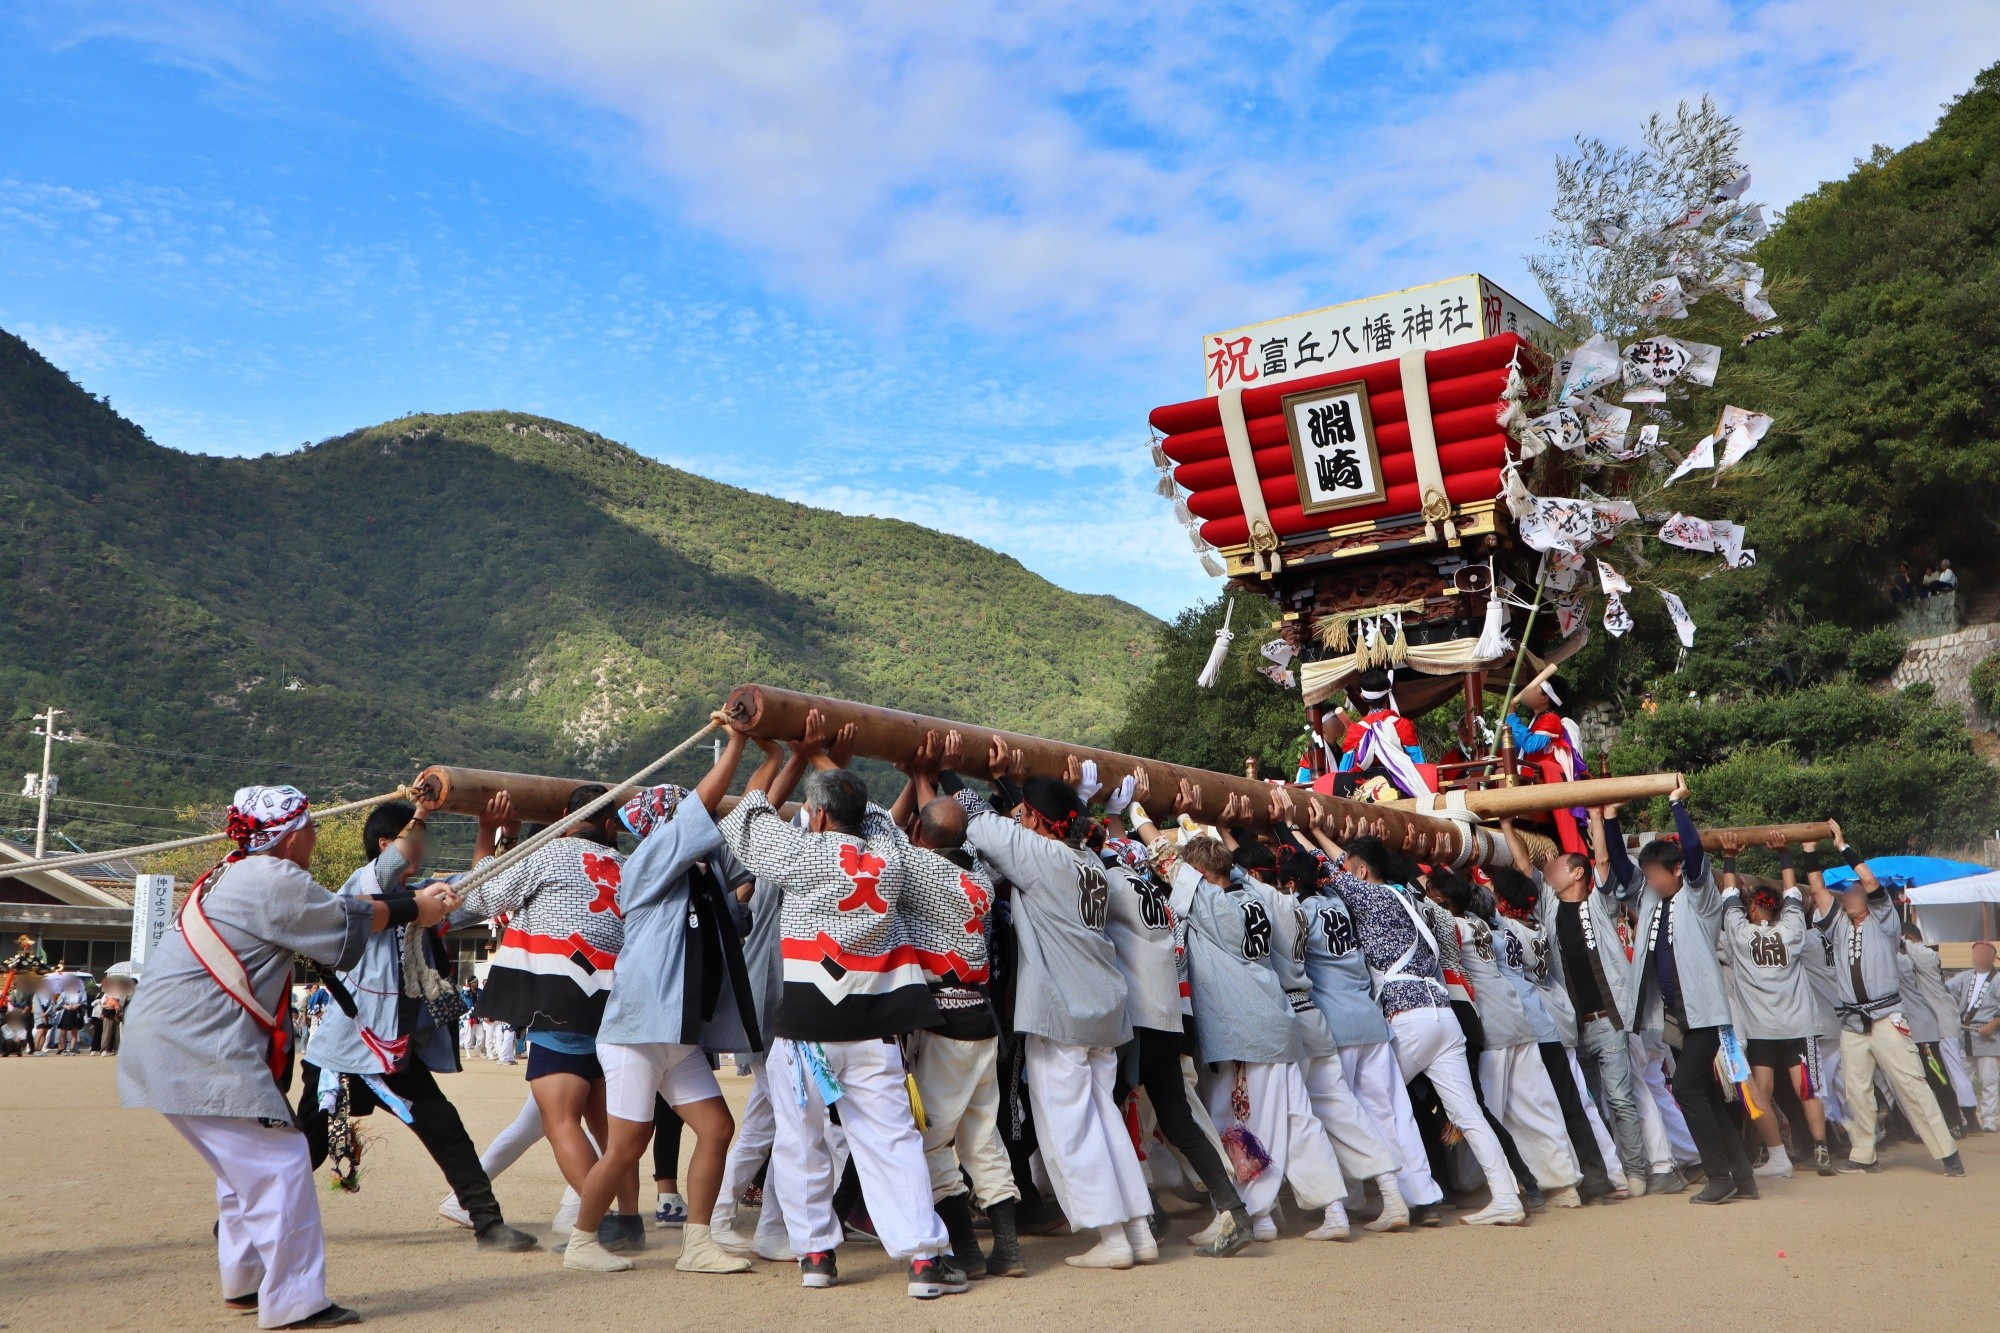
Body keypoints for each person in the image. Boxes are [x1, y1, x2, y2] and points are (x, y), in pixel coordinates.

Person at [118, 784, 456, 1329]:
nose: (317, 837)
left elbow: (358, 897)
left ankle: (245, 1280)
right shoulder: (273, 879)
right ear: (293, 834)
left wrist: (416, 836)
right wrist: (415, 906)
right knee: (280, 1163)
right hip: (200, 1047)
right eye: (312, 828)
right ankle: (295, 1302)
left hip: (173, 1044)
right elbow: (346, 918)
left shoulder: (232, 870)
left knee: (243, 1171)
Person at [718, 710, 963, 1300]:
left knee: (799, 1144)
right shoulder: (890, 859)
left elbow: (747, 815)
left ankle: (817, 1257)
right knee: (892, 1145)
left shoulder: (803, 857)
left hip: (806, 1034)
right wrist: (826, 758)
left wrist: (777, 753)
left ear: (818, 816)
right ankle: (924, 1264)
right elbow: (874, 818)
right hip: (874, 1033)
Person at [297, 795, 536, 1253]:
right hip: (343, 1054)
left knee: (445, 1128)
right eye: (417, 837)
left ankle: (487, 1223)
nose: (423, 847)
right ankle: (239, 1222)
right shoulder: (359, 889)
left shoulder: (427, 895)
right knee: (305, 1149)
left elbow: (478, 888)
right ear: (388, 844)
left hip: (394, 1054)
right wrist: (421, 810)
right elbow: (388, 875)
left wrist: (491, 831)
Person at [564, 721, 759, 1275]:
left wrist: (781, 753)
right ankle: (582, 1240)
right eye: (682, 812)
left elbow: (747, 810)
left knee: (718, 1129)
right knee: (628, 1145)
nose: (698, 818)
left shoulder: (700, 873)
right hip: (637, 1031)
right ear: (663, 826)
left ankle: (697, 1244)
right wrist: (739, 742)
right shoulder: (649, 862)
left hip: (677, 1032)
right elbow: (708, 801)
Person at [953, 734, 1155, 1271]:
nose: (1018, 819)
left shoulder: (1042, 856)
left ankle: (1112, 1236)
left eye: (1024, 813)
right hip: (1104, 1010)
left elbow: (973, 818)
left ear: (1038, 822)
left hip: (1064, 1012)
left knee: (1069, 1127)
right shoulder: (1087, 857)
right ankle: (1137, 1228)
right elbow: (1022, 822)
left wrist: (945, 768)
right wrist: (1010, 783)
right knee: (1104, 1119)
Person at [448, 782, 641, 1261]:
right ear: (611, 824)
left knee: (560, 1122)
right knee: (607, 1127)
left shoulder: (551, 855)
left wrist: (487, 832)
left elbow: (482, 897)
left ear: (563, 815)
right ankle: (629, 1218)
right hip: (618, 1002)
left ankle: (592, 1227)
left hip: (561, 996)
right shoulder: (630, 866)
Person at [1304, 813, 1526, 1225]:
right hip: (1443, 1014)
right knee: (1468, 1114)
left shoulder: (1372, 897)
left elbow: (1324, 868)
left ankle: (1387, 1198)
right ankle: (1506, 1195)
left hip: (1408, 1016)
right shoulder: (1410, 896)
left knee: (1371, 1104)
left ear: (1362, 871)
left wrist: (1311, 830)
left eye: (1353, 870)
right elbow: (1345, 867)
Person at [889, 733, 1030, 1276]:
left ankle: (967, 1252)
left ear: (920, 833)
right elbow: (944, 828)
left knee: (932, 1141)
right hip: (981, 1020)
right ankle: (1009, 1250)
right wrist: (926, 774)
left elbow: (881, 828)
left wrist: (913, 774)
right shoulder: (977, 878)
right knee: (981, 1136)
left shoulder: (922, 871)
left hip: (945, 1024)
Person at [1503, 813, 1659, 1194]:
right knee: (1592, 1102)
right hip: (1575, 1023)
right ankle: (1613, 1170)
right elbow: (1525, 865)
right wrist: (1507, 826)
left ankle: (1637, 1170)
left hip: (1609, 1019)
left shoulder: (1599, 905)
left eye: (1557, 866)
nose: (1549, 869)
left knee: (1620, 1099)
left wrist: (1596, 818)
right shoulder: (1550, 907)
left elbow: (1602, 861)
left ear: (1576, 873)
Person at [1803, 822, 1964, 1176]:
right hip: (1851, 1022)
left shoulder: (1885, 922)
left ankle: (1947, 1151)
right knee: (1856, 1090)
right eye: (1846, 894)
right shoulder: (1837, 925)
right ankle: (1864, 1152)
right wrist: (1810, 851)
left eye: (1854, 893)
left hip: (1887, 1016)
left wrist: (1842, 846)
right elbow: (1816, 889)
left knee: (1911, 1084)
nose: (1849, 897)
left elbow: (1873, 883)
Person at [1626, 786, 1757, 1204]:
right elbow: (1619, 876)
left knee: (1685, 1089)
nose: (1650, 882)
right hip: (1675, 1018)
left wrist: (1677, 806)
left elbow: (1697, 853)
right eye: (1647, 877)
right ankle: (1742, 1177)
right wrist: (1608, 819)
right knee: (1708, 1099)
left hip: (1704, 1015)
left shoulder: (1699, 897)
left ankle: (1718, 1177)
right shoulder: (1652, 900)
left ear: (1677, 870)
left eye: (1656, 874)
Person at [1715, 835, 1834, 1177]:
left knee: (1761, 1092)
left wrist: (1728, 856)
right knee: (1807, 1090)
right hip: (1799, 1025)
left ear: (1751, 907)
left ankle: (1772, 1153)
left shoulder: (1739, 935)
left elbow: (1726, 897)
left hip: (1761, 1029)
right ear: (1778, 908)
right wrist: (1784, 852)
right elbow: (1795, 893)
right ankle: (1822, 1151)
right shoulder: (1794, 930)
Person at [1505, 674, 1589, 855]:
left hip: (1546, 783)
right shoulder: (1537, 721)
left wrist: (1512, 716)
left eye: (1534, 688)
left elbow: (1531, 745)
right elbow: (1520, 745)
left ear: (1545, 698)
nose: (1527, 691)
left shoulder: (1551, 719)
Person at [1898, 922, 1968, 1139]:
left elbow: (1916, 955)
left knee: (1938, 1075)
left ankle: (1957, 1120)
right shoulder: (1903, 959)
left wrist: (1896, 937)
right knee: (1917, 1081)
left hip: (1929, 1027)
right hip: (1911, 1027)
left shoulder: (1928, 956)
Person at [1947, 942, 2000, 1133]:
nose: (1977, 958)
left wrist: (1992, 1025)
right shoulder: (1964, 977)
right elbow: (1944, 991)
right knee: (1960, 1078)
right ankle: (1962, 1116)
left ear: (1993, 957)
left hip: (1988, 1037)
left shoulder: (1998, 979)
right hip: (1965, 1034)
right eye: (1975, 954)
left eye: (1982, 954)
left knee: (1989, 1080)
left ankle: (1989, 1119)